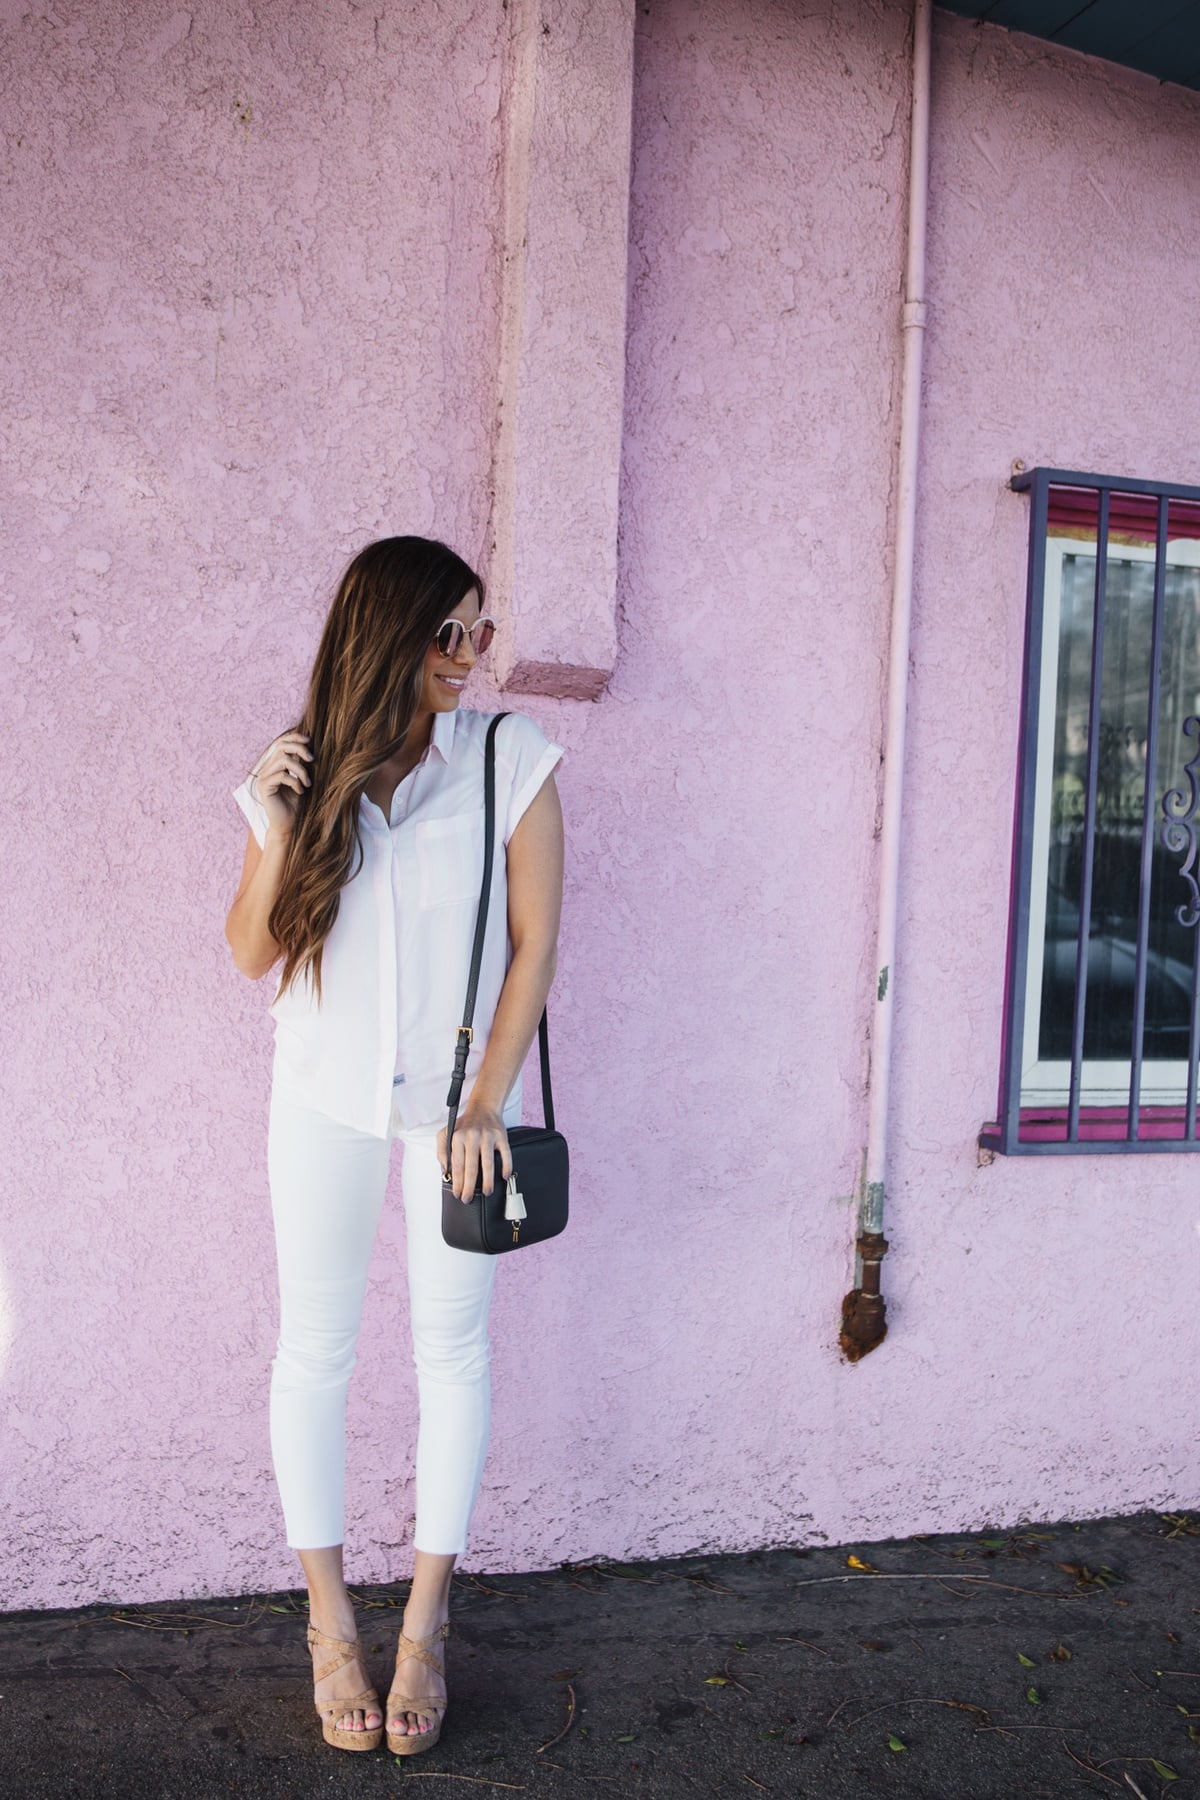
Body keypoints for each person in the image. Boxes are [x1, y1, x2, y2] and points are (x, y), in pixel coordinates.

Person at [224, 536, 565, 1757]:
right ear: (387, 634)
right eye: (448, 633)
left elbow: (533, 947)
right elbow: (254, 955)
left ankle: (423, 1624)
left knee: (450, 1353)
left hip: (453, 1116)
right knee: (313, 1349)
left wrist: (485, 1104)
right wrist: (272, 827)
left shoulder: (509, 758)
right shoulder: (307, 770)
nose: (471, 655)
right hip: (316, 1091)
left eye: (480, 629)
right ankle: (329, 1625)